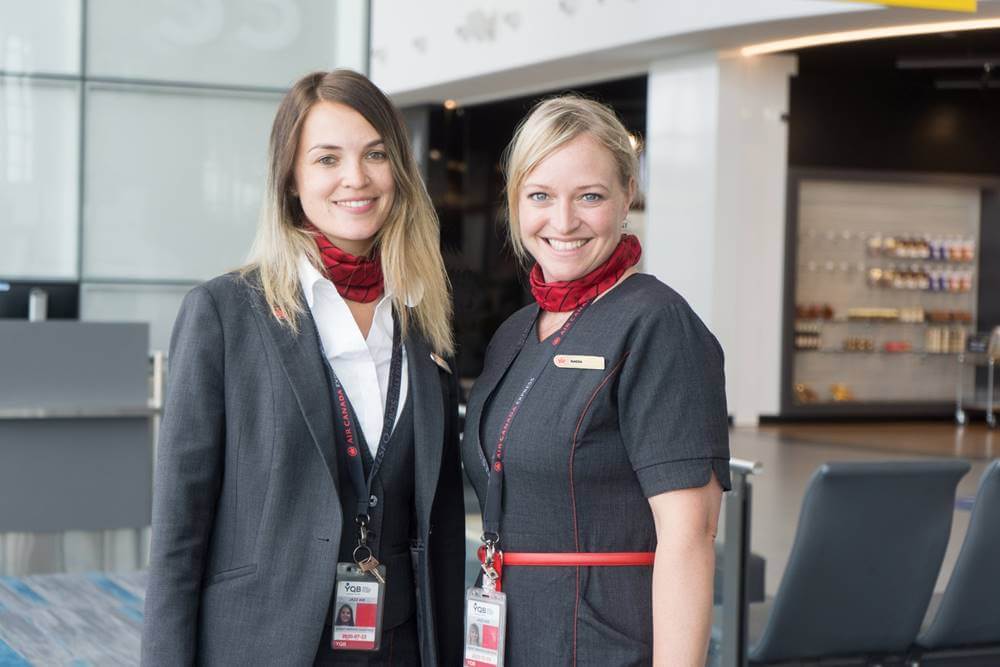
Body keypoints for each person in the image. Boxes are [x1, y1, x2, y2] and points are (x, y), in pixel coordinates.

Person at [141, 70, 464, 666]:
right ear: (290, 179)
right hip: (265, 641)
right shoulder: (225, 312)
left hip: (399, 644)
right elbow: (179, 533)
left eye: (375, 154)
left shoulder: (424, 321)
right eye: (326, 159)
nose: (356, 179)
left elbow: (441, 526)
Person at [461, 96, 731, 666]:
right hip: (512, 635)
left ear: (627, 194)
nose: (563, 222)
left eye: (589, 196)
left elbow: (691, 536)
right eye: (540, 196)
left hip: (602, 643)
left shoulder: (656, 323)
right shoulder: (515, 332)